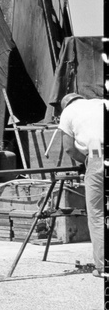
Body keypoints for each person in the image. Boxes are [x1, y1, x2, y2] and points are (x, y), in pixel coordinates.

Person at [56, 92, 105, 277]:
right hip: (99, 146)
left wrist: (85, 162)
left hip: (96, 152)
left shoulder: (68, 112)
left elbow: (69, 147)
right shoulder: (100, 102)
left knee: (97, 214)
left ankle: (102, 266)